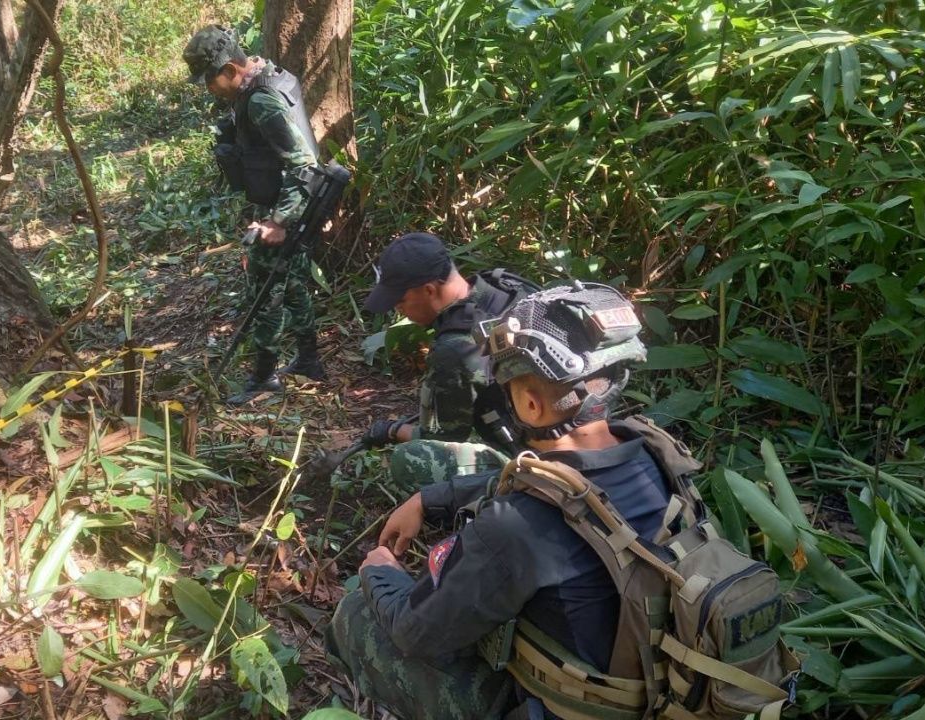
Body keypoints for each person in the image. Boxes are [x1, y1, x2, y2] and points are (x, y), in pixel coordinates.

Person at [328, 282, 673, 719]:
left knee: (357, 611)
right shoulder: (655, 455)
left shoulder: (518, 527)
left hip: (564, 706)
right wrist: (431, 499)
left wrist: (379, 573)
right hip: (647, 682)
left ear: (529, 403)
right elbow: (550, 483)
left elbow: (417, 632)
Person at [182, 25, 326, 405]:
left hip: (288, 208)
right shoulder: (261, 77)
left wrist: (278, 222)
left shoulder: (261, 101)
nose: (209, 89)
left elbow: (303, 163)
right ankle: (310, 360)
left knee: (265, 293)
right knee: (293, 283)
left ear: (230, 68)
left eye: (210, 80)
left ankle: (264, 377)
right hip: (289, 203)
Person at [358, 232, 537, 489]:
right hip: (567, 424)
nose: (399, 310)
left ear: (429, 289)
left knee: (411, 460)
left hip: (532, 456)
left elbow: (436, 439)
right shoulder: (504, 286)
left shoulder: (455, 347)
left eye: (401, 302)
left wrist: (391, 430)